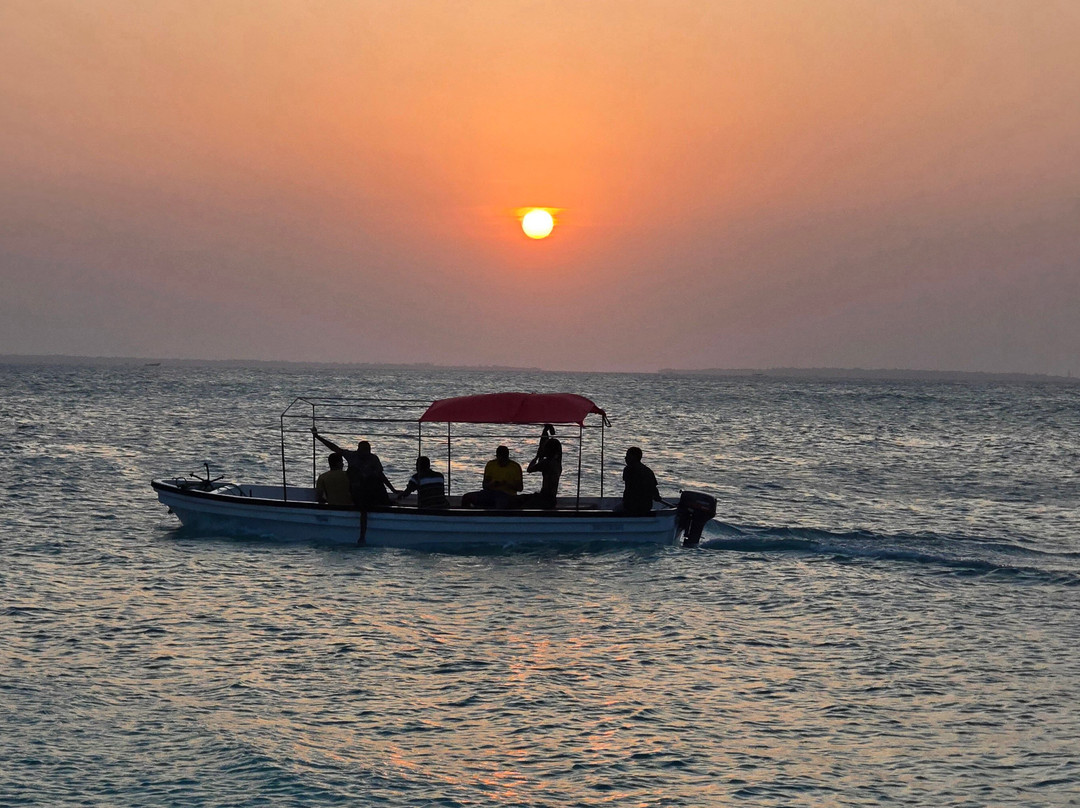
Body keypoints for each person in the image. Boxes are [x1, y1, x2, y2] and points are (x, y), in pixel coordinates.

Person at [311, 428, 398, 508]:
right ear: (358, 450)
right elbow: (335, 448)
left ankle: (384, 502)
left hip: (369, 486)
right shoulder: (352, 456)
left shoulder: (373, 458)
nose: (365, 454)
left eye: (367, 451)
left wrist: (393, 489)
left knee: (377, 480)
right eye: (363, 451)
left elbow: (381, 475)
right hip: (355, 488)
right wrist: (318, 437)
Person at [520, 434, 562, 509]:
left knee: (521, 503)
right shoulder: (557, 463)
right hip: (551, 498)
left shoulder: (547, 462)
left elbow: (529, 469)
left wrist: (536, 457)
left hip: (545, 498)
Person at [621, 446, 662, 515]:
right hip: (646, 507)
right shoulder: (648, 471)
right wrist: (657, 497)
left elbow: (629, 490)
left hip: (631, 507)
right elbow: (654, 490)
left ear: (634, 457)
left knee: (616, 510)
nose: (625, 458)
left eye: (627, 455)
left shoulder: (628, 470)